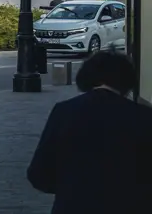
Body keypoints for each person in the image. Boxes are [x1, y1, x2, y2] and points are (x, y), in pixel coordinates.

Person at [27, 52, 152, 211]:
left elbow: (39, 173)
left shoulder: (64, 111)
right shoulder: (144, 116)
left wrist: (70, 188)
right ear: (127, 81)